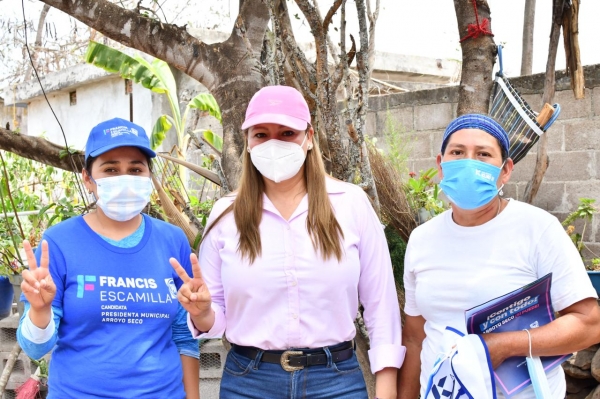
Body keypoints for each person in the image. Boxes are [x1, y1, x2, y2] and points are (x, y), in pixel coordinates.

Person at [170, 85, 404, 399]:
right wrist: (201, 312)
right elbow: (217, 316)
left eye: (286, 133)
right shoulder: (226, 215)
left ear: (308, 138)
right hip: (248, 382)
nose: (273, 143)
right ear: (248, 143)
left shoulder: (351, 204)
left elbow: (382, 308)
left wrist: (386, 392)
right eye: (261, 134)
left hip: (335, 382)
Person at [397, 113, 600, 399]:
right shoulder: (422, 239)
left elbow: (589, 324)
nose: (469, 162)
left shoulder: (537, 229)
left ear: (505, 170)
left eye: (483, 154)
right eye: (457, 152)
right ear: (441, 165)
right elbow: (416, 337)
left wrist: (504, 345)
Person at [16, 118, 200, 399]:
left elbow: (184, 335)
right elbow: (35, 348)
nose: (124, 179)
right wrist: (40, 312)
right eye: (111, 169)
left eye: (135, 169)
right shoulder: (58, 243)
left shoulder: (172, 240)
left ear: (149, 177)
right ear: (88, 179)